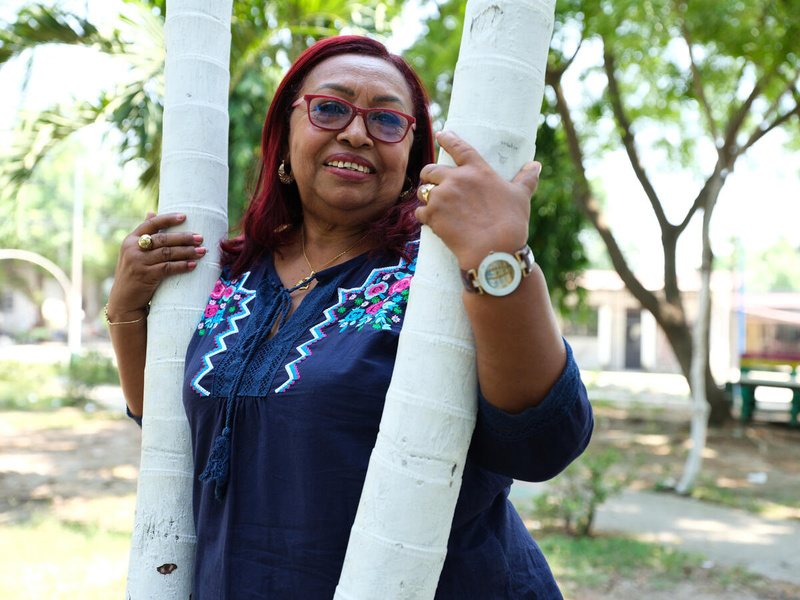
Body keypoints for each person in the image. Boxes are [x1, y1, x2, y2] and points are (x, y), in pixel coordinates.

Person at [106, 35, 593, 599]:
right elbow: (172, 425)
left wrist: (498, 259)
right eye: (330, 108)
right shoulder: (228, 273)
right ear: (284, 138)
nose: (357, 132)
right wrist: (125, 308)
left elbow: (545, 443)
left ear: (412, 154)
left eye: (387, 121)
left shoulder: (437, 277)